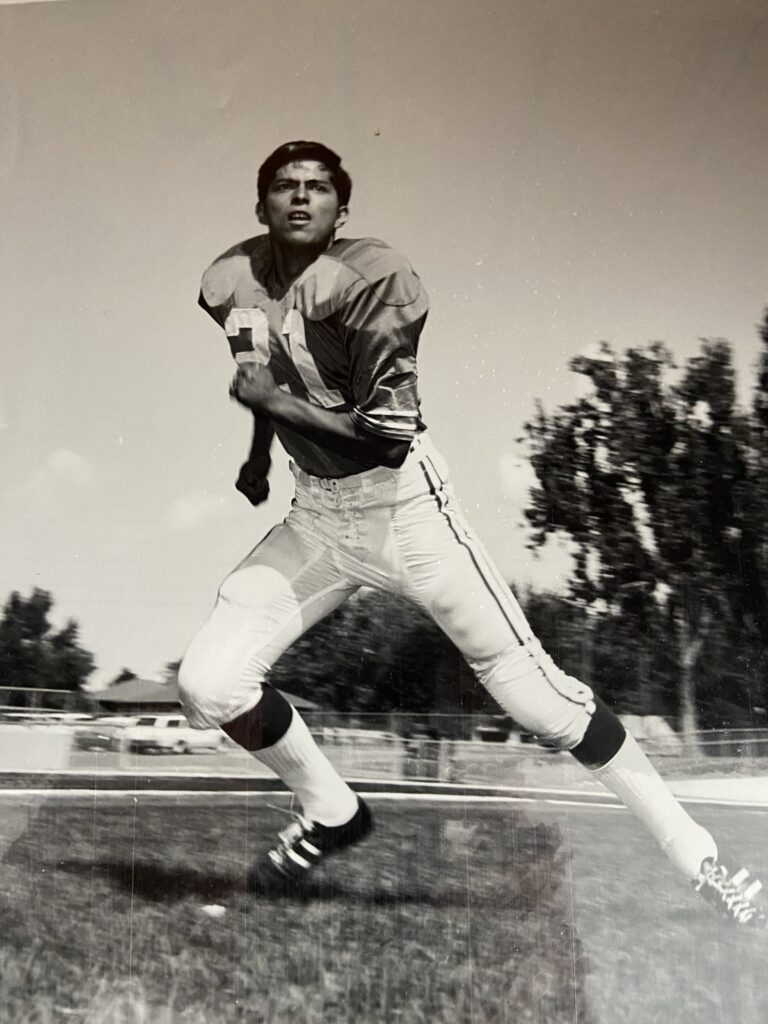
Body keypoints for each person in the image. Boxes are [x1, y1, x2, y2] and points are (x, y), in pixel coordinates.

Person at [179, 140, 764, 925]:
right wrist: (259, 454)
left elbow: (382, 436)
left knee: (540, 704)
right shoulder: (234, 279)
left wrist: (275, 412)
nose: (299, 197)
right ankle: (331, 812)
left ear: (342, 211)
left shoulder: (375, 279)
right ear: (260, 206)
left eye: (318, 188)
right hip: (317, 514)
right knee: (209, 681)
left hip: (406, 513)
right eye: (283, 186)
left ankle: (703, 860)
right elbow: (267, 376)